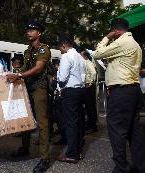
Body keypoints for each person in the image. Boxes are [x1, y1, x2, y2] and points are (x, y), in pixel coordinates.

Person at [93, 18, 145, 173]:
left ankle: (121, 168)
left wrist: (107, 37)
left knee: (117, 129)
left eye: (112, 32)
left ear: (115, 30)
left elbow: (97, 53)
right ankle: (140, 166)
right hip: (133, 90)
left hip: (122, 92)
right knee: (134, 131)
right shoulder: (134, 44)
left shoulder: (122, 41)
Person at [7, 20, 51, 173]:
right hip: (27, 88)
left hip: (39, 88)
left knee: (42, 123)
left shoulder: (43, 49)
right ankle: (25, 148)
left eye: (32, 30)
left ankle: (45, 158)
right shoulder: (27, 51)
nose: (28, 32)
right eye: (27, 30)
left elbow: (38, 68)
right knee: (25, 119)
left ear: (39, 33)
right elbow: (25, 68)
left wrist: (19, 75)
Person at [56, 36, 86, 164]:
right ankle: (78, 151)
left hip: (70, 91)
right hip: (80, 90)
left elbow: (62, 77)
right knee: (78, 121)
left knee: (70, 123)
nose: (60, 51)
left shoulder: (66, 56)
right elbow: (83, 75)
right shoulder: (80, 57)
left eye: (60, 49)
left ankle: (72, 154)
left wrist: (58, 82)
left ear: (64, 46)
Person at [80, 50, 98, 134]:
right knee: (88, 107)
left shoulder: (88, 63)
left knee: (90, 106)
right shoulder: (85, 63)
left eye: (81, 55)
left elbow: (94, 73)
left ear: (85, 56)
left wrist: (90, 83)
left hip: (89, 87)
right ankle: (91, 124)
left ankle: (93, 126)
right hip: (87, 86)